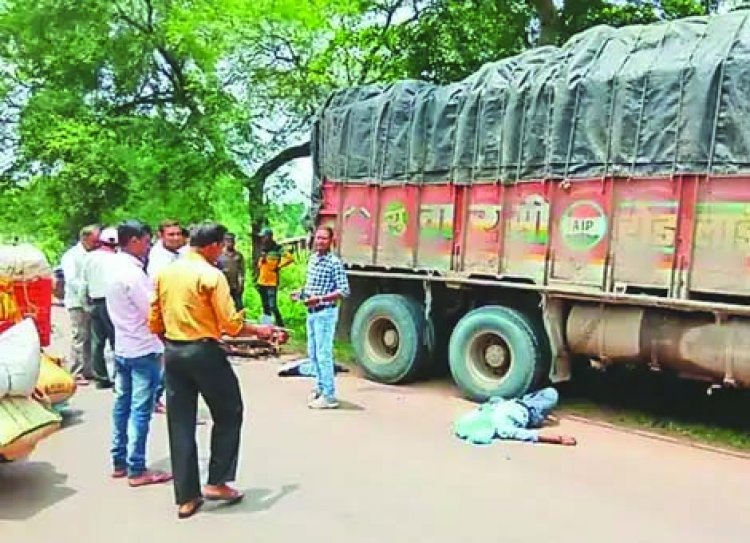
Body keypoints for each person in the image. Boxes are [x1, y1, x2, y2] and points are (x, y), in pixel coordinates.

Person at [148, 222, 261, 519]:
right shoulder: (211, 275)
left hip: (173, 351)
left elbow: (154, 318)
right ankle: (217, 482)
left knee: (180, 422)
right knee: (229, 411)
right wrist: (260, 330)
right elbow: (231, 324)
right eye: (221, 247)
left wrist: (170, 340)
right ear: (212, 246)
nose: (222, 252)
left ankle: (186, 497)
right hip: (204, 351)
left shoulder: (166, 272)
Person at [106, 220, 172, 487]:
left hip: (123, 345)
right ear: (133, 241)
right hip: (142, 348)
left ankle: (120, 461)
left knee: (122, 406)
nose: (148, 246)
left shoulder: (114, 267)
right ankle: (137, 467)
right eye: (146, 241)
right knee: (140, 410)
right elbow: (151, 313)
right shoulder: (133, 274)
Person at [292, 226, 350, 409]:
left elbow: (344, 291)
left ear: (331, 241)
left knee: (324, 354)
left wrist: (321, 299)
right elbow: (311, 286)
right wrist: (300, 294)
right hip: (311, 313)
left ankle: (329, 396)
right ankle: (320, 386)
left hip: (325, 313)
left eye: (324, 238)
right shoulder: (313, 259)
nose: (320, 241)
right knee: (313, 353)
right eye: (318, 238)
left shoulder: (334, 262)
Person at [454, 387, 577, 446]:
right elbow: (530, 436)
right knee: (551, 393)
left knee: (496, 398)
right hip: (530, 411)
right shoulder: (503, 429)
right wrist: (559, 439)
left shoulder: (485, 413)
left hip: (509, 402)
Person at [147, 219, 184, 413]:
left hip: (180, 309)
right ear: (161, 236)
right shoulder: (159, 258)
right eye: (171, 234)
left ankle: (156, 395)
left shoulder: (181, 253)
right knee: (170, 356)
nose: (176, 238)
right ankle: (157, 396)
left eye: (178, 234)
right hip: (166, 311)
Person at [60, 225, 100, 385]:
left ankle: (88, 369)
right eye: (94, 240)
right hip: (76, 301)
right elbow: (71, 280)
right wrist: (86, 290)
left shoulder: (92, 255)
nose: (97, 243)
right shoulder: (72, 256)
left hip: (90, 299)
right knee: (80, 335)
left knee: (90, 336)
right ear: (85, 238)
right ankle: (76, 371)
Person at [83, 227, 119, 389]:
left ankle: (101, 376)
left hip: (95, 301)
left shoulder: (89, 258)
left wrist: (85, 302)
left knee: (97, 341)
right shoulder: (116, 259)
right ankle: (119, 377)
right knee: (116, 340)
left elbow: (83, 281)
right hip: (111, 301)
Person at [256, 228, 292, 326]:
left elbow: (289, 258)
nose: (262, 239)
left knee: (272, 306)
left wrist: (279, 266)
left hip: (272, 282)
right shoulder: (263, 248)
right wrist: (262, 259)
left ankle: (280, 324)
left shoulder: (277, 248)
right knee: (265, 305)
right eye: (262, 237)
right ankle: (267, 326)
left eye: (264, 236)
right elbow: (259, 265)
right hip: (262, 281)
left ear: (269, 236)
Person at [218, 232, 246, 311]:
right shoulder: (220, 255)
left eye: (232, 241)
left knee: (239, 307)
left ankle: (241, 321)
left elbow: (242, 271)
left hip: (235, 286)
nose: (230, 243)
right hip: (224, 285)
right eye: (228, 241)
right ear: (224, 242)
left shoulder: (238, 255)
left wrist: (241, 284)